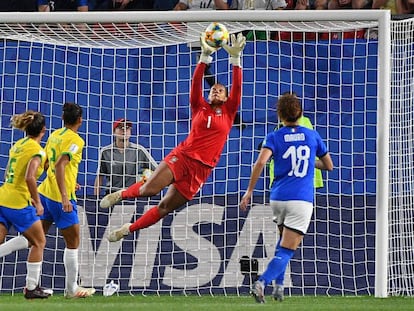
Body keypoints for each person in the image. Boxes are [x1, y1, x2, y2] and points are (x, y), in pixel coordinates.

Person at [99, 32, 246, 243]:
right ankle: (121, 194)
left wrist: (236, 59)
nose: (215, 91)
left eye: (220, 90)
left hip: (201, 171)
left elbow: (238, 87)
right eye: (213, 89)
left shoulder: (229, 112)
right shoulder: (199, 107)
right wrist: (204, 58)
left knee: (164, 207)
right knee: (148, 190)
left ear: (226, 97)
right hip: (183, 156)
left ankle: (127, 229)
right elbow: (196, 83)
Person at [240, 93, 333, 303]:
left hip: (278, 198)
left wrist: (249, 191)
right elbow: (329, 166)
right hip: (300, 199)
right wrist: (310, 163)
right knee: (288, 249)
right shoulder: (312, 135)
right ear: (300, 113)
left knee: (283, 242)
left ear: (280, 115)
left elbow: (260, 163)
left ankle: (279, 287)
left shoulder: (274, 136)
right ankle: (262, 282)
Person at [37, 102, 96, 298]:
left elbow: (47, 164)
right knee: (73, 242)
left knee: (36, 240)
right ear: (80, 120)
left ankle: (32, 285)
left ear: (63, 119)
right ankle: (72, 290)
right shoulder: (76, 140)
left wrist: (68, 183)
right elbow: (61, 164)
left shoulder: (54, 135)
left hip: (45, 192)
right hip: (59, 198)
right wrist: (65, 194)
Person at [0, 111, 49, 299]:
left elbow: (8, 171)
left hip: (3, 195)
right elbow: (29, 177)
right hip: (18, 202)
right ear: (43, 130)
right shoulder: (37, 151)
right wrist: (37, 202)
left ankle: (32, 287)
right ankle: (31, 288)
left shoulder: (18, 145)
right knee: (39, 241)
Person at [94, 118, 158, 196]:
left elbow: (157, 170)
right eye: (120, 128)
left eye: (127, 128)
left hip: (133, 194)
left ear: (130, 132)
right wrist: (95, 198)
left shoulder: (139, 150)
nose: (124, 130)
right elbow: (99, 176)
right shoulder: (105, 151)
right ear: (114, 132)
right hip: (112, 194)